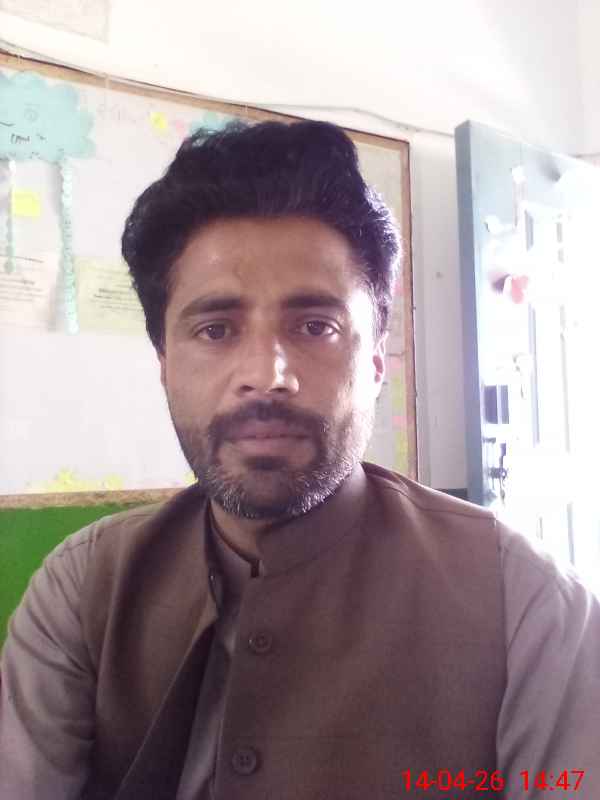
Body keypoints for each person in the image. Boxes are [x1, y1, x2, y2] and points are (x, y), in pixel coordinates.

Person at [1, 120, 599, 800]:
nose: (267, 375)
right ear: (164, 363)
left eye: (316, 326)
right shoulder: (83, 589)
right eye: (215, 330)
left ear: (376, 361)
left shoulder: (527, 604)